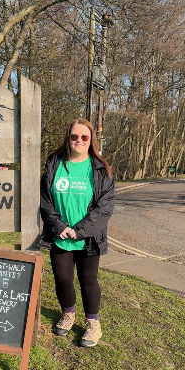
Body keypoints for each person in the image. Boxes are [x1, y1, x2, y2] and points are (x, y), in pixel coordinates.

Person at [38, 117, 115, 347]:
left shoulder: (101, 169)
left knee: (88, 280)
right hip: (60, 235)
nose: (79, 140)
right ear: (68, 138)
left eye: (84, 136)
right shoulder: (54, 163)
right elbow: (44, 199)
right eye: (74, 136)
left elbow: (104, 208)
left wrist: (79, 230)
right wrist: (59, 226)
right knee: (63, 279)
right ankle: (68, 313)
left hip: (88, 238)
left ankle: (93, 323)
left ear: (91, 140)